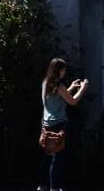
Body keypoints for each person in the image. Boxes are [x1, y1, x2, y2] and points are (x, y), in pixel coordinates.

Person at [37, 58, 86, 191]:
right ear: (59, 70)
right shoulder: (59, 86)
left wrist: (71, 87)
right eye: (63, 69)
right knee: (58, 158)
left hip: (46, 126)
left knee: (47, 157)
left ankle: (42, 186)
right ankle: (54, 188)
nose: (64, 72)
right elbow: (73, 101)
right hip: (59, 125)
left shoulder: (46, 83)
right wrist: (83, 88)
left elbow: (58, 98)